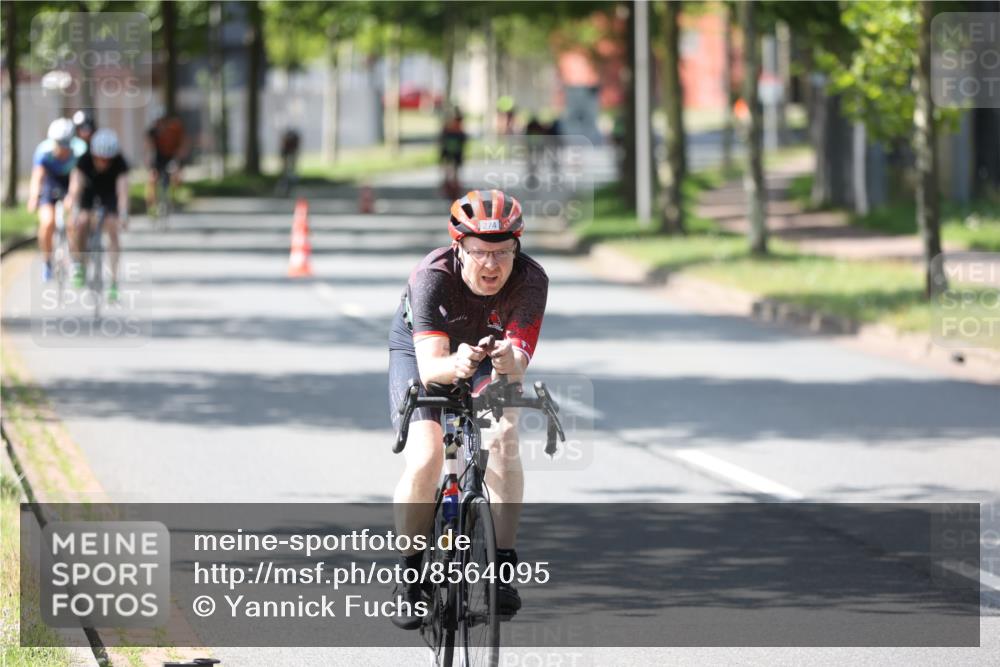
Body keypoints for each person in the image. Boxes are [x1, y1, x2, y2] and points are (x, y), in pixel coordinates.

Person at [387, 189, 548, 630]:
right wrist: (456, 363)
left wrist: (504, 359)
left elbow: (519, 357)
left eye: (503, 252)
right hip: (426, 354)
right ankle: (410, 574)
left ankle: (503, 568)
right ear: (459, 247)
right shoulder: (432, 275)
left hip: (489, 353)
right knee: (427, 455)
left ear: (517, 248)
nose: (492, 264)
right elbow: (432, 366)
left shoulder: (532, 280)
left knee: (503, 438)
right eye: (479, 252)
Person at [67, 128, 130, 302]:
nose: (104, 163)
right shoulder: (84, 160)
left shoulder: (120, 163)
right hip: (89, 193)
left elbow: (122, 191)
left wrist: (123, 213)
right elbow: (75, 186)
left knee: (112, 227)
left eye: (107, 159)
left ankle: (114, 282)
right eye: (100, 158)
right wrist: (73, 208)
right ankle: (79, 262)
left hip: (109, 195)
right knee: (81, 222)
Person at [27, 118, 87, 282]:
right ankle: (47, 261)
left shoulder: (80, 150)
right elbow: (37, 176)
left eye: (66, 144)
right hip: (50, 183)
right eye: (59, 144)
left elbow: (77, 177)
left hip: (70, 183)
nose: (63, 149)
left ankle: (75, 260)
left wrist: (72, 196)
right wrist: (33, 197)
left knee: (73, 223)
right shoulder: (43, 152)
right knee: (47, 223)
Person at [145, 107, 188, 212]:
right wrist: (148, 161)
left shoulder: (174, 129)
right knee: (152, 179)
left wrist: (180, 157)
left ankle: (173, 198)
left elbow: (183, 143)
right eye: (157, 122)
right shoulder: (152, 132)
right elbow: (148, 147)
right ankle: (152, 206)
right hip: (157, 158)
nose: (159, 124)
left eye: (162, 121)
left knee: (176, 176)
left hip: (171, 156)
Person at [439, 108, 467, 200]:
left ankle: (454, 187)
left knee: (454, 171)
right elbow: (442, 140)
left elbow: (463, 142)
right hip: (448, 151)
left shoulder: (458, 131)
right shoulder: (448, 129)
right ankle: (448, 186)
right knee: (448, 169)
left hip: (455, 152)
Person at [276, 127, 301, 197]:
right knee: (286, 171)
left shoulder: (288, 140)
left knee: (290, 170)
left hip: (289, 155)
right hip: (288, 155)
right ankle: (284, 186)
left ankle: (288, 185)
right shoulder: (289, 140)